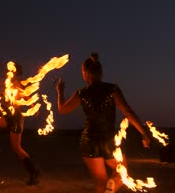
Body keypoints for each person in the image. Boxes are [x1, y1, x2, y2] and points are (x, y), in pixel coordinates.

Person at [55, 53, 151, 193]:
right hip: (109, 140)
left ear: (85, 73)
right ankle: (112, 185)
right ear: (100, 72)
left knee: (100, 183)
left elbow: (63, 110)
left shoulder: (81, 93)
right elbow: (128, 112)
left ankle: (108, 187)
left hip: (89, 141)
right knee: (121, 173)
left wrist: (60, 92)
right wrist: (144, 133)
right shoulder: (113, 89)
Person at [0, 64, 41, 185]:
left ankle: (33, 171)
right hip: (8, 116)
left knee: (17, 148)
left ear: (15, 71)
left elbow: (26, 95)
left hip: (15, 118)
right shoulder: (8, 82)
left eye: (11, 69)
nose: (8, 70)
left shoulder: (17, 83)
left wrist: (33, 108)